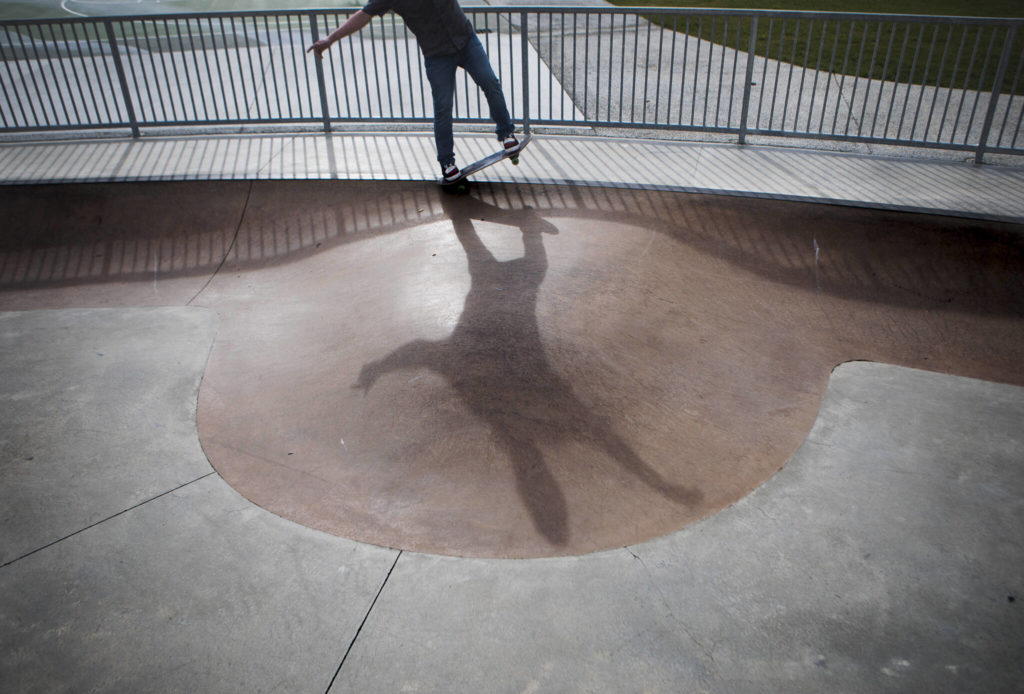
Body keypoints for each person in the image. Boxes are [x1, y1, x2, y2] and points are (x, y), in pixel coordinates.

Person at [308, 0, 518, 182]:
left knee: (490, 81)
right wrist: (330, 39)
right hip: (437, 55)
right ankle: (447, 163)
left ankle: (506, 132)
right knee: (443, 107)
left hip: (466, 40)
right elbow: (364, 15)